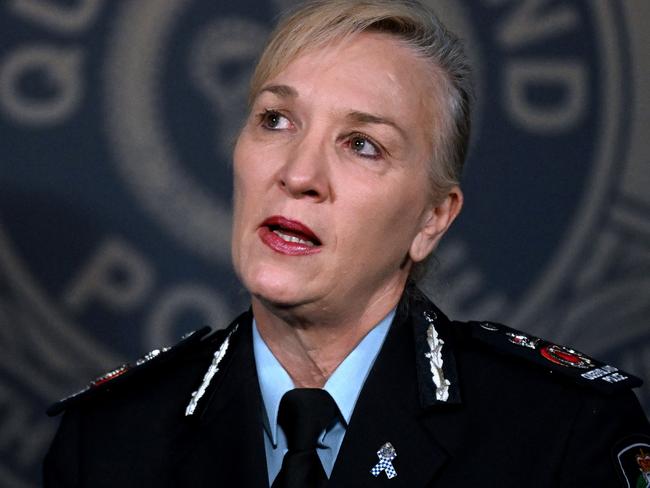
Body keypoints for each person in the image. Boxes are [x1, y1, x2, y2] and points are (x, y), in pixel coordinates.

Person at [43, 1, 650, 486]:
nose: (299, 175)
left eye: (363, 143)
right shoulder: (106, 440)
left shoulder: (562, 432)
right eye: (275, 120)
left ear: (432, 219)